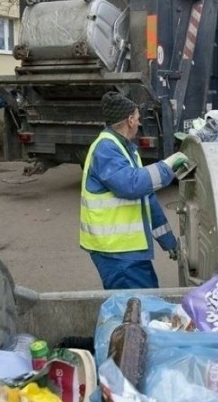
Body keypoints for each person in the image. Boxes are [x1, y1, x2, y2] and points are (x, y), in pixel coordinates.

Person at [79, 91, 188, 289]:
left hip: (127, 250)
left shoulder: (126, 149)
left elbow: (146, 200)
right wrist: (167, 166)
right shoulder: (106, 149)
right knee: (135, 307)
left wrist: (168, 240)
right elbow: (130, 185)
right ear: (129, 120)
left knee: (145, 300)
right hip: (115, 251)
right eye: (137, 119)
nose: (139, 123)